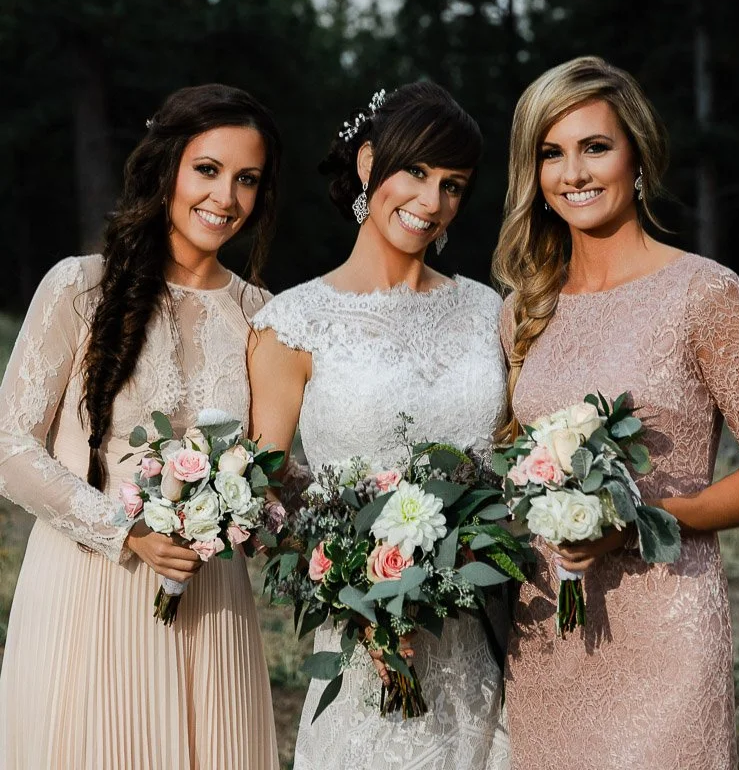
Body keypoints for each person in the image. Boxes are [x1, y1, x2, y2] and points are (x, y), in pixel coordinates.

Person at [493, 55, 739, 770]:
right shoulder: (521, 313)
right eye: (551, 153)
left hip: (667, 631)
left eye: (594, 147)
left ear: (636, 155)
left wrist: (639, 523)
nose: (573, 172)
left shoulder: (703, 293)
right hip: (546, 636)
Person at [0, 83, 282, 770]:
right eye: (208, 170)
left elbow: (274, 463)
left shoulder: (264, 316)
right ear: (167, 168)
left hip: (210, 602)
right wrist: (127, 532)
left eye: (247, 179)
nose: (226, 197)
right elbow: (8, 445)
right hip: (88, 583)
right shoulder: (79, 287)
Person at [248, 81, 510, 770]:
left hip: (483, 640)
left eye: (453, 185)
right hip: (364, 645)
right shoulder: (290, 326)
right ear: (368, 164)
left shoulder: (490, 314)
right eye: (417, 172)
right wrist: (349, 579)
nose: (431, 202)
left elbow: (512, 459)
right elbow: (268, 496)